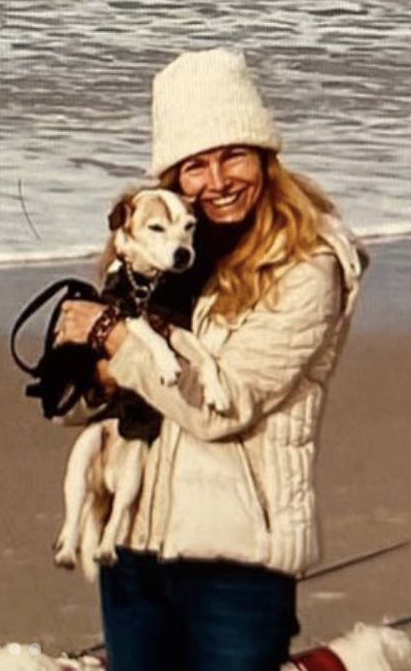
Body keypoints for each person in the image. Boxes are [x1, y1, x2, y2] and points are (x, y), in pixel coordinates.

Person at [54, 47, 368, 671]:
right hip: (134, 544)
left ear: (265, 158)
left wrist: (114, 340)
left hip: (237, 561)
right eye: (194, 165)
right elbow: (95, 404)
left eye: (234, 155)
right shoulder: (155, 259)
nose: (217, 180)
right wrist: (85, 369)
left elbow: (223, 403)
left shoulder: (308, 266)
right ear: (171, 180)